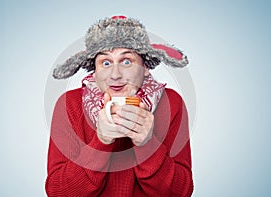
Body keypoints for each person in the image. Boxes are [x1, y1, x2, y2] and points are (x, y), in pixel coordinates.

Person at [45, 16, 194, 196]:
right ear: (95, 69)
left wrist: (147, 144)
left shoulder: (171, 103)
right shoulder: (69, 104)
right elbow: (58, 192)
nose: (115, 75)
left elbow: (181, 193)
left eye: (126, 61)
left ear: (145, 67)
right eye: (105, 63)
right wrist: (101, 142)